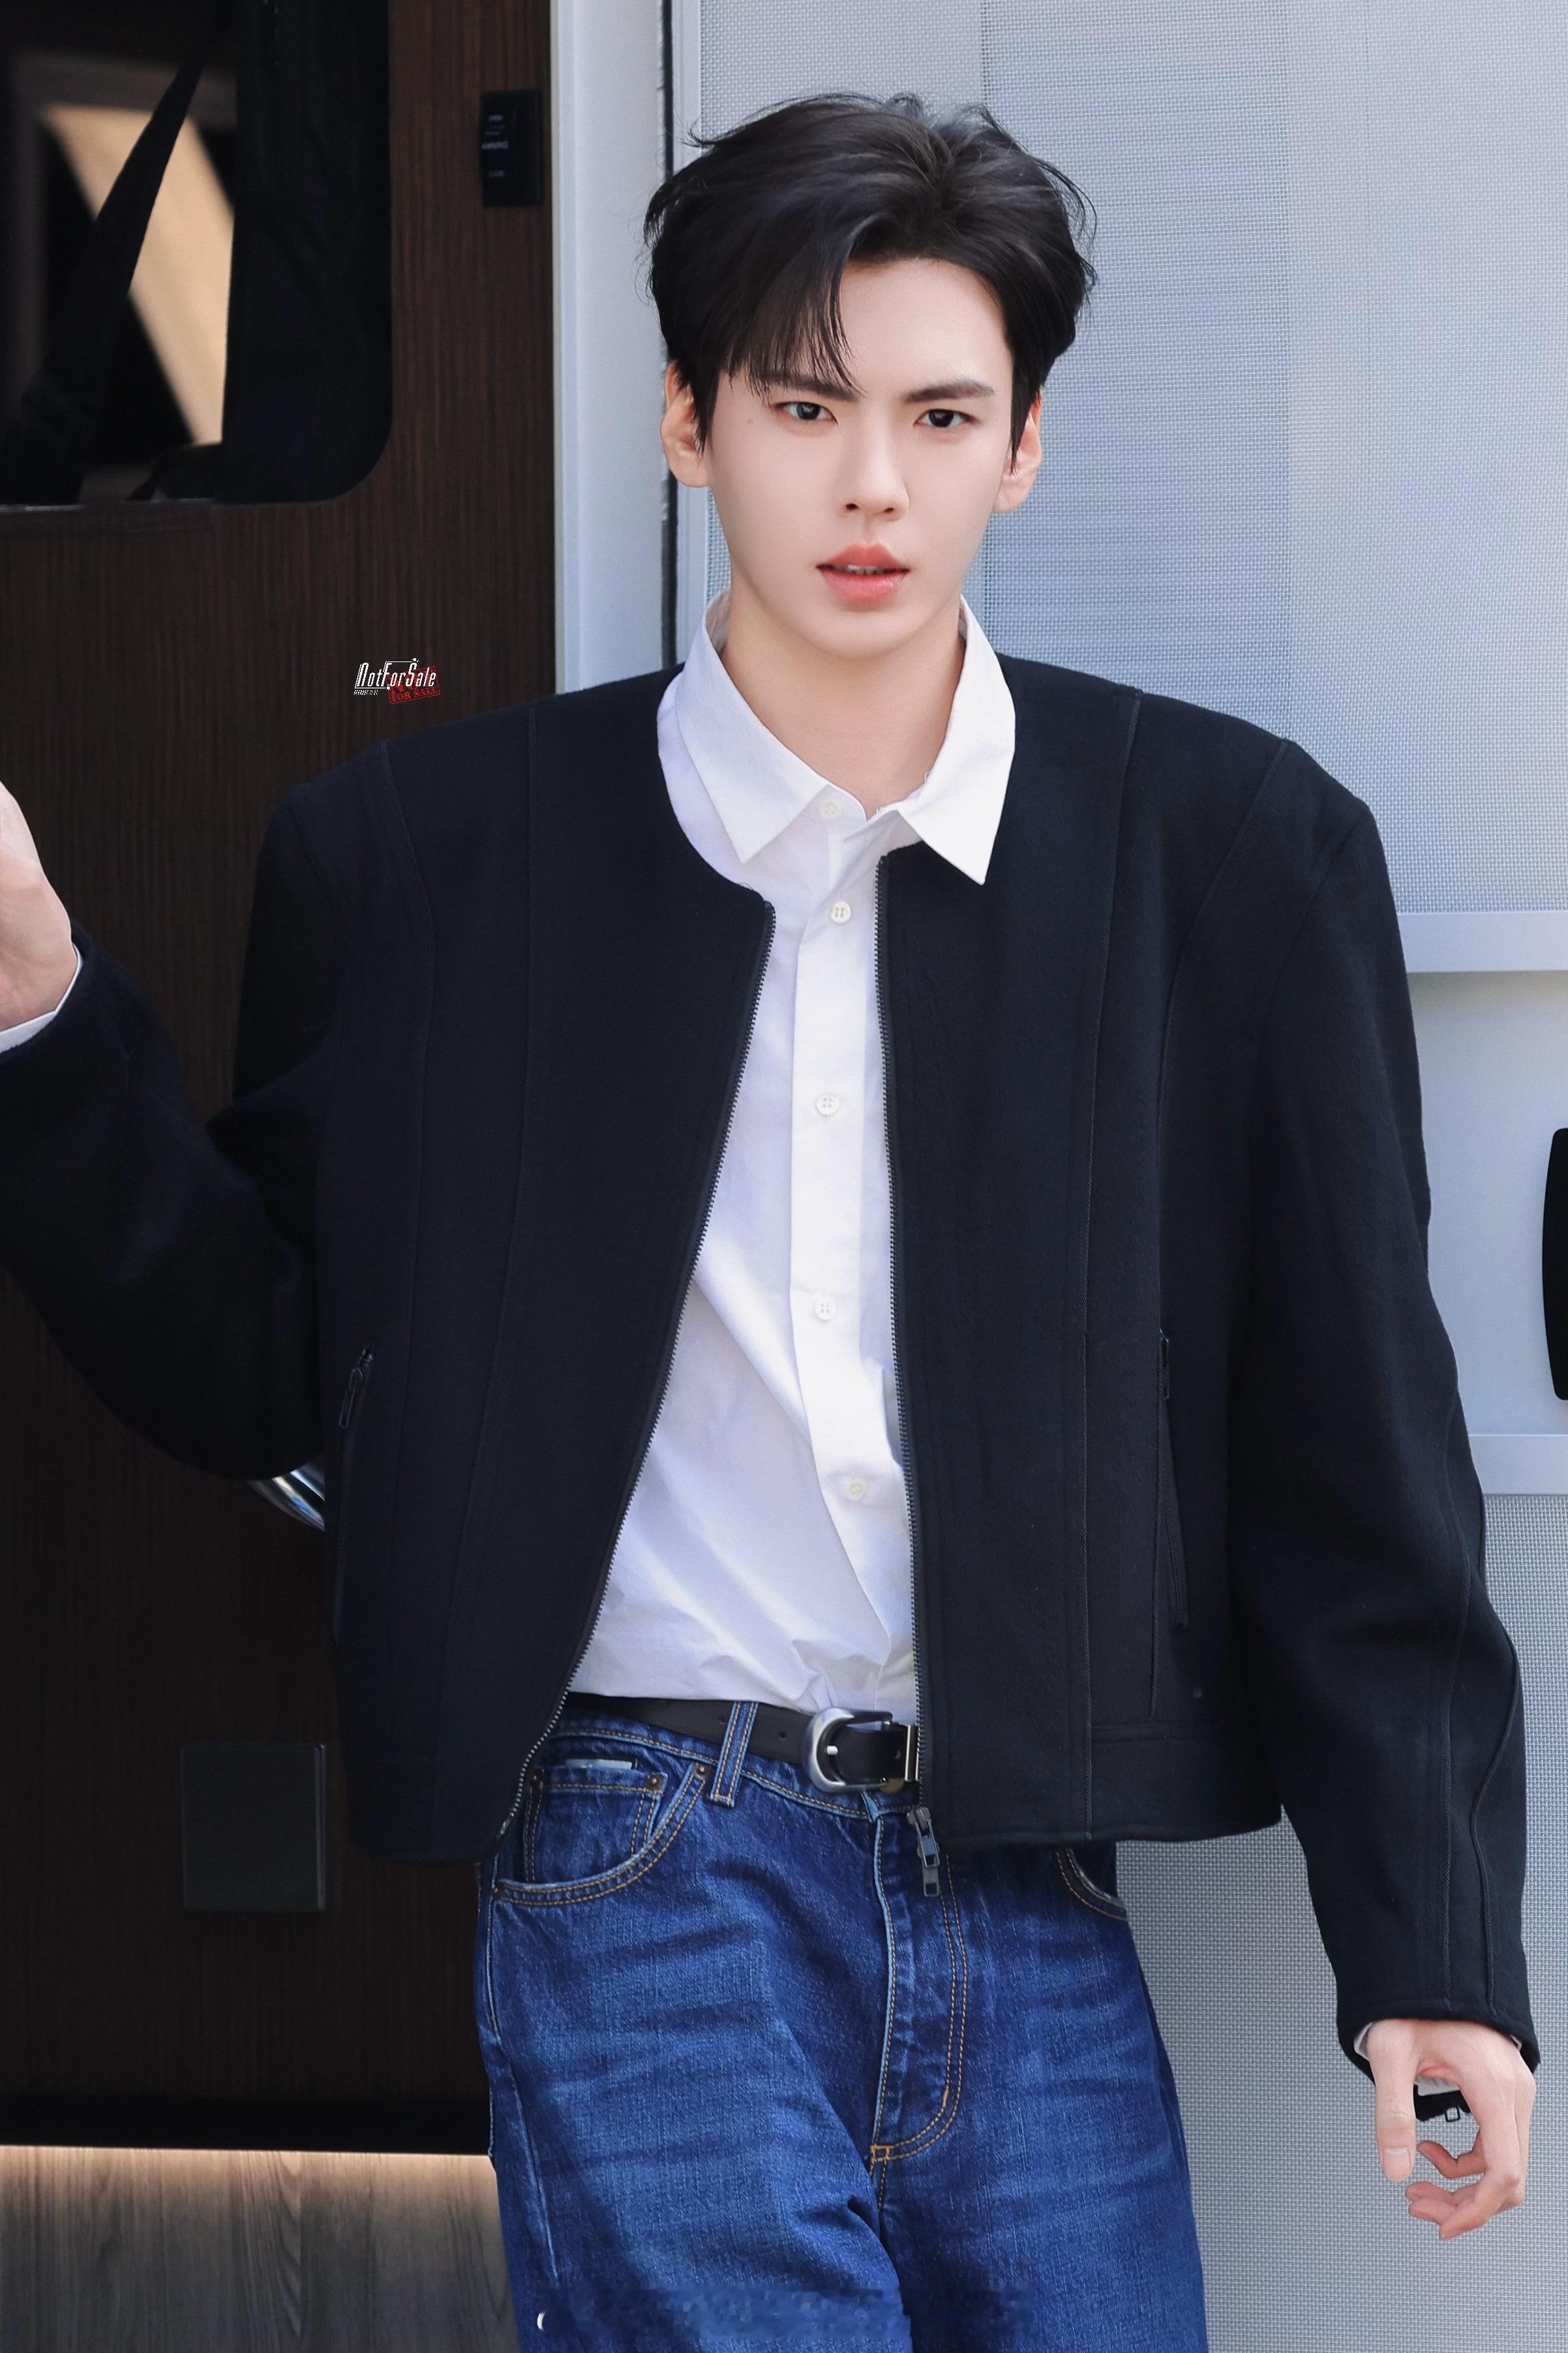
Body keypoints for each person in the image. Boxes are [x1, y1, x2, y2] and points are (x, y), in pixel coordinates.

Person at [0, 89, 1537, 2353]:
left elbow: (1353, 1461)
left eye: (941, 415)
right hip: (639, 1859)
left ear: (1024, 445)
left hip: (1033, 1888)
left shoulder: (1227, 855)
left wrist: (1431, 1957)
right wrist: (38, 1000)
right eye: (804, 409)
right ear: (685, 420)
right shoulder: (421, 860)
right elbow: (270, 1365)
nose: (871, 485)